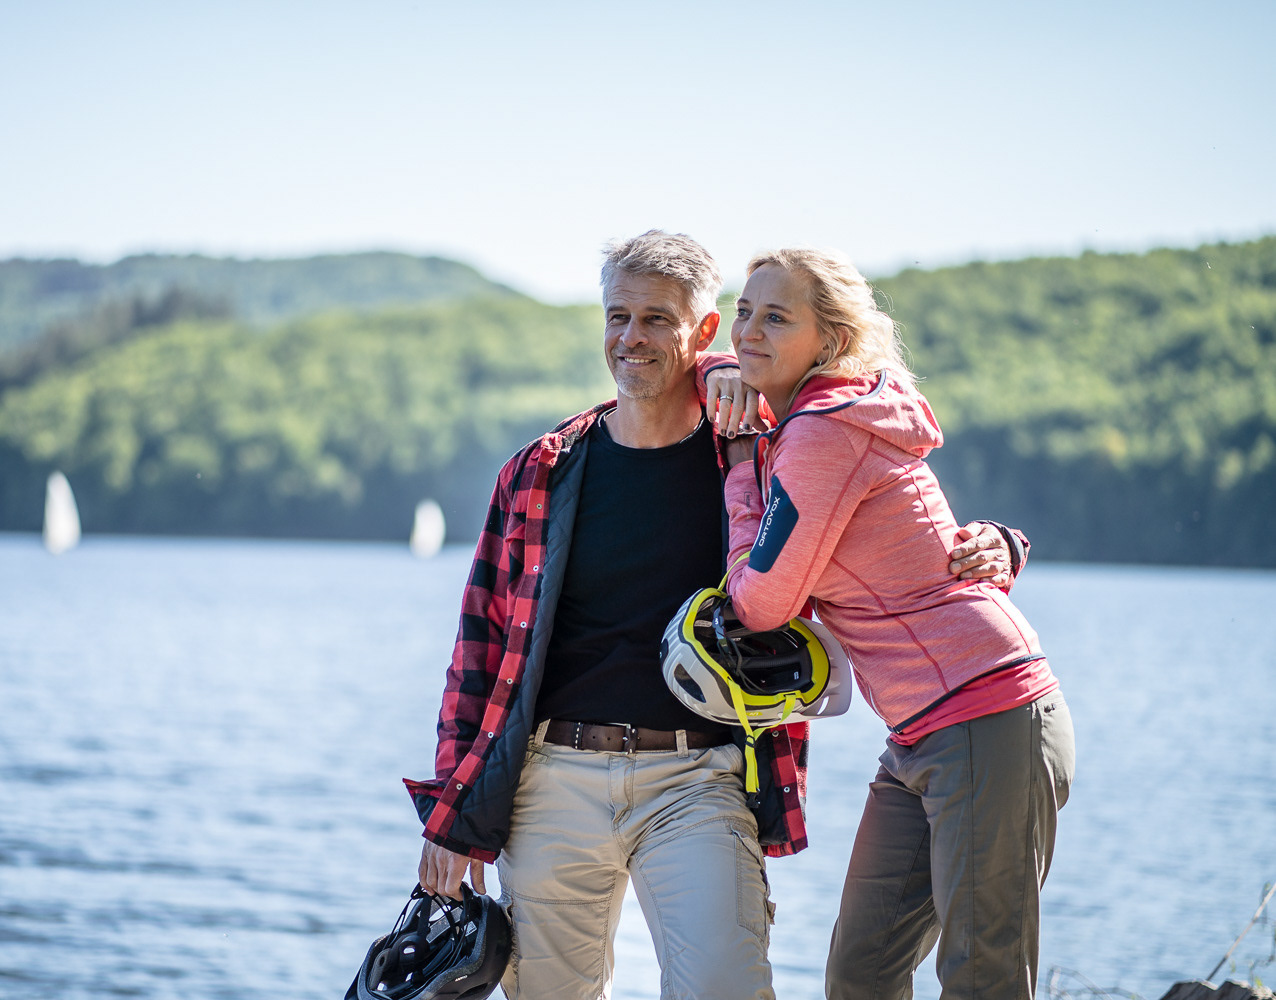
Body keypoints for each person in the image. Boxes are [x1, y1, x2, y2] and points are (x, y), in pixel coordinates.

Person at [404, 231, 1018, 1000]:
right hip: (550, 781)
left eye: (657, 319)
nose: (631, 337)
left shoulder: (760, 459)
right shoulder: (541, 472)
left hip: (698, 780)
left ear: (704, 332)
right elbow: (479, 650)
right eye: (618, 316)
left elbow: (889, 517)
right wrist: (452, 814)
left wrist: (996, 544)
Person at [718, 247, 1075, 1000]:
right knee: (863, 972)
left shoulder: (822, 432)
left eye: (775, 317)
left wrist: (743, 473)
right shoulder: (831, 413)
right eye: (743, 311)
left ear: (831, 340)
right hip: (922, 732)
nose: (748, 331)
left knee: (982, 979)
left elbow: (763, 603)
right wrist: (721, 375)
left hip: (985, 715)